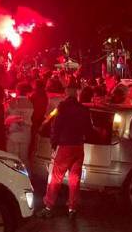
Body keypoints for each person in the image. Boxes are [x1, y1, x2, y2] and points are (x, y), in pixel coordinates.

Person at [37, 83, 92, 220]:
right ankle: (72, 208)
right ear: (77, 93)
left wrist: (54, 143)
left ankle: (49, 206)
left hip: (65, 145)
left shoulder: (62, 107)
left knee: (56, 178)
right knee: (74, 179)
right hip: (78, 147)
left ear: (67, 92)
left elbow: (56, 125)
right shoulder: (83, 109)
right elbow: (88, 130)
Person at [5, 82, 34, 162]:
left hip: (13, 132)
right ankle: (25, 174)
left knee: (12, 158)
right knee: (24, 158)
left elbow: (6, 115)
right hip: (26, 132)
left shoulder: (12, 102)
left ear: (17, 90)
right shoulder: (31, 103)